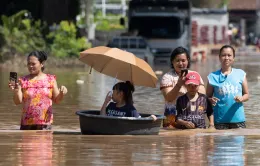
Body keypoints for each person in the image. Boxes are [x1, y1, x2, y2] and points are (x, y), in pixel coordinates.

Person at [8, 51, 68, 130]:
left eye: (33, 64)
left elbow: (57, 100)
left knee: (45, 142)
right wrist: (16, 90)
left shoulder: (50, 79)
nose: (30, 66)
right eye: (29, 64)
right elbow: (17, 102)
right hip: (27, 124)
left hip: (45, 124)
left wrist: (62, 93)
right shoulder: (23, 80)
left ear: (41, 64)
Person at [160, 46, 205, 128]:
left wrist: (188, 85)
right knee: (170, 140)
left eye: (183, 60)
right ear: (172, 62)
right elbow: (169, 98)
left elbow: (202, 97)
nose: (181, 63)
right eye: (177, 61)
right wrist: (179, 84)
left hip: (192, 117)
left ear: (188, 60)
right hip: (172, 119)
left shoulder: (195, 75)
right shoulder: (167, 77)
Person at [206, 45, 249, 130]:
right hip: (219, 120)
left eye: (229, 55)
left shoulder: (241, 74)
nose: (226, 58)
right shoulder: (212, 77)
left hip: (238, 120)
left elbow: (247, 95)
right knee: (221, 143)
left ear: (233, 58)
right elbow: (206, 97)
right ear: (219, 57)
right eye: (223, 55)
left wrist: (241, 98)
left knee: (238, 143)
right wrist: (210, 100)